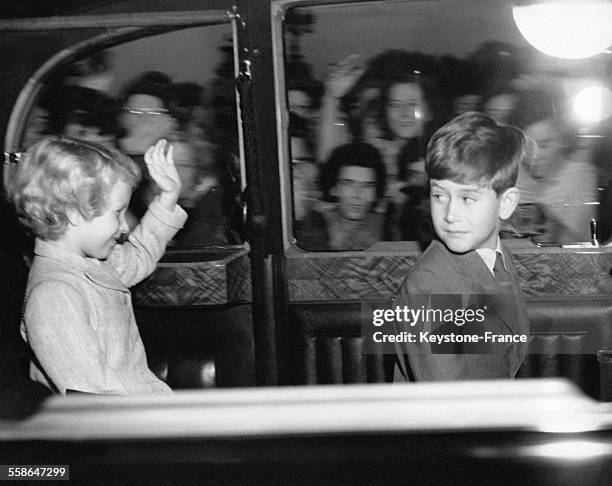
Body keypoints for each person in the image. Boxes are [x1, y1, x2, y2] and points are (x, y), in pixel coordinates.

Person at [11, 137, 186, 395]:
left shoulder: (92, 264)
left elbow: (138, 257)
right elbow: (96, 396)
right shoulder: (54, 296)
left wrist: (168, 197)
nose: (125, 226)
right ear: (73, 212)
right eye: (117, 212)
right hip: (121, 426)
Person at [393, 111, 529, 381]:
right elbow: (451, 408)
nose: (450, 214)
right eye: (439, 195)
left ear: (506, 203)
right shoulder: (430, 284)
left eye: (467, 198)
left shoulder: (496, 258)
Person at [295, 142, 386, 251]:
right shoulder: (313, 227)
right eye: (348, 184)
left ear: (376, 193)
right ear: (334, 188)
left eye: (367, 186)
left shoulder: (386, 229)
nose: (357, 195)